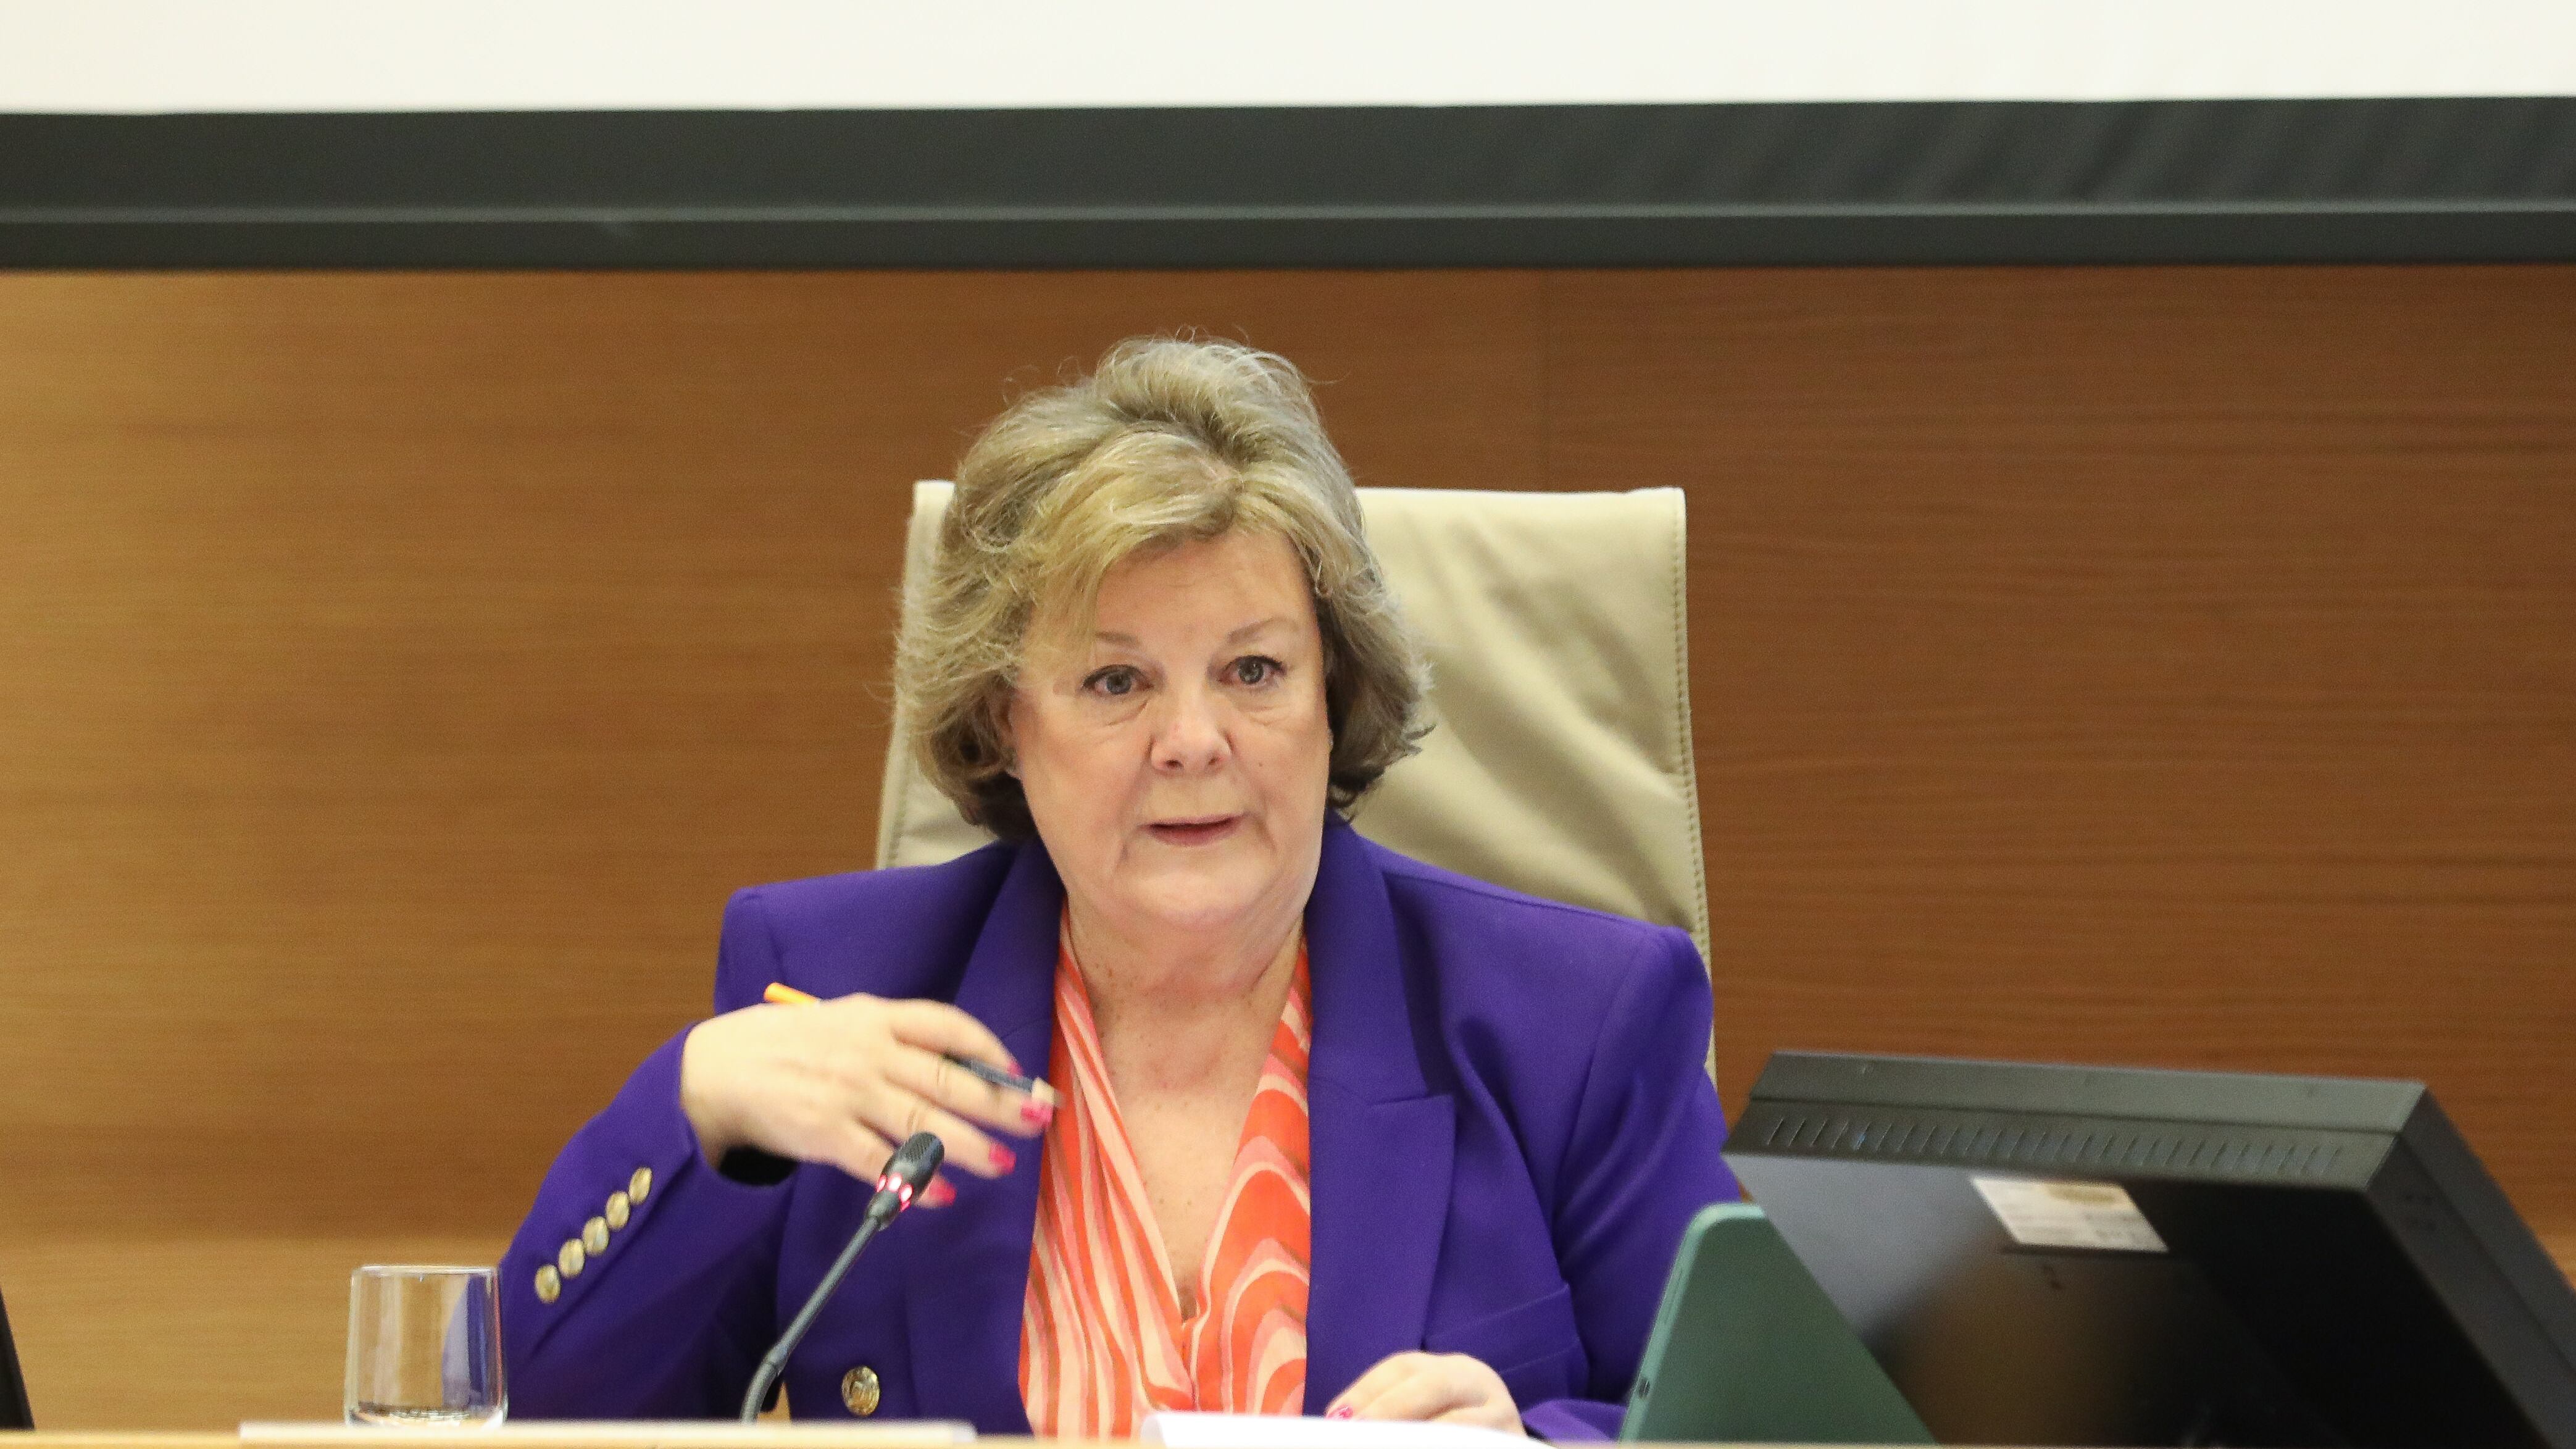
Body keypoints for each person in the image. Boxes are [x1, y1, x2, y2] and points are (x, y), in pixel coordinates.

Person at [499, 337, 1738, 1439]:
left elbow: (1756, 1429)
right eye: (1116, 682)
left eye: (1252, 670)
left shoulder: (1576, 1019)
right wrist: (699, 1104)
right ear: (1003, 720)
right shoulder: (841, 986)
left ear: (1334, 694)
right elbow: (558, 1421)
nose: (1192, 742)